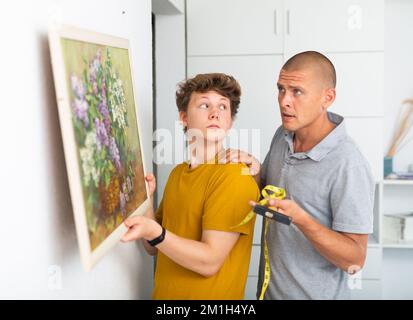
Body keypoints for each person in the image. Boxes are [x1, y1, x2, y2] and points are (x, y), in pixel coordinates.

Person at [224, 51, 374, 299]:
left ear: (328, 97)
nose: (284, 101)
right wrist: (255, 170)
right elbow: (271, 193)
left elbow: (355, 260)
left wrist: (303, 221)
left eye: (297, 91)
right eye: (281, 89)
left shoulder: (348, 163)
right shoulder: (283, 136)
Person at [121, 73, 260, 299]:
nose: (215, 113)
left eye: (223, 107)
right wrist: (146, 203)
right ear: (184, 117)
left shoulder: (235, 176)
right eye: (205, 105)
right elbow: (153, 247)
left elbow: (209, 262)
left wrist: (154, 231)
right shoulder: (178, 173)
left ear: (230, 122)